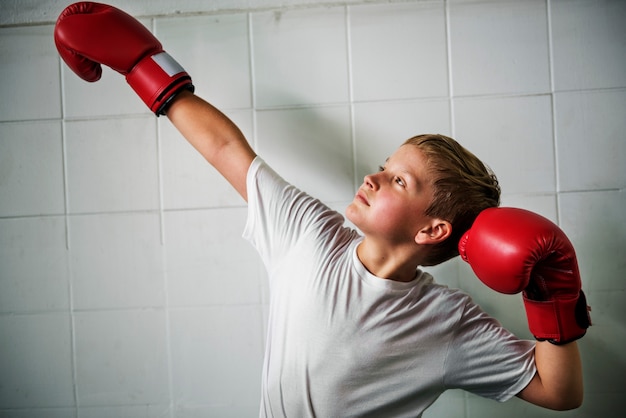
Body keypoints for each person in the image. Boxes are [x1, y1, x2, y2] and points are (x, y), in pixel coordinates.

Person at [54, 3, 591, 417]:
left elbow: (559, 393)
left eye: (397, 179)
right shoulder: (310, 234)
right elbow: (227, 150)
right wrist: (144, 65)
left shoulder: (448, 322)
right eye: (385, 164)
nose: (372, 177)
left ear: (433, 228)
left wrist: (552, 294)